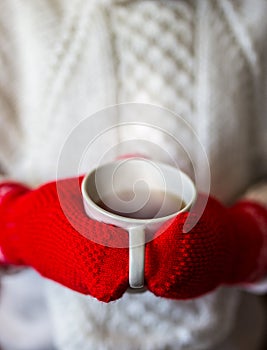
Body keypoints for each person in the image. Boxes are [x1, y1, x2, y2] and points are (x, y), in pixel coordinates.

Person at [0, 0, 267, 349]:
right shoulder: (16, 14)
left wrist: (242, 244)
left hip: (228, 339)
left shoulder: (255, 15)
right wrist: (23, 228)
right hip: (39, 337)